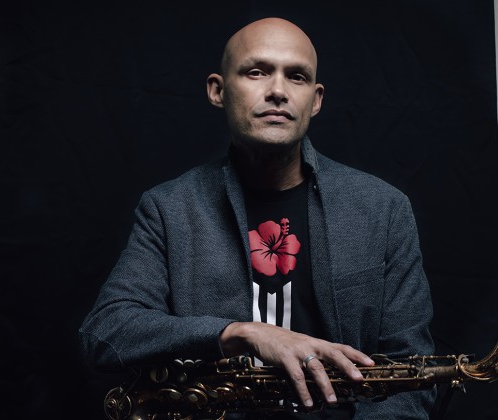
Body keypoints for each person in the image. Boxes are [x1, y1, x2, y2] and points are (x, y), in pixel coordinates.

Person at [80, 17, 435, 418]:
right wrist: (241, 333)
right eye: (256, 72)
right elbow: (106, 333)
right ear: (218, 90)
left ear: (315, 100)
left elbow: (409, 376)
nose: (279, 91)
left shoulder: (383, 209)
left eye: (297, 77)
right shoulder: (168, 208)